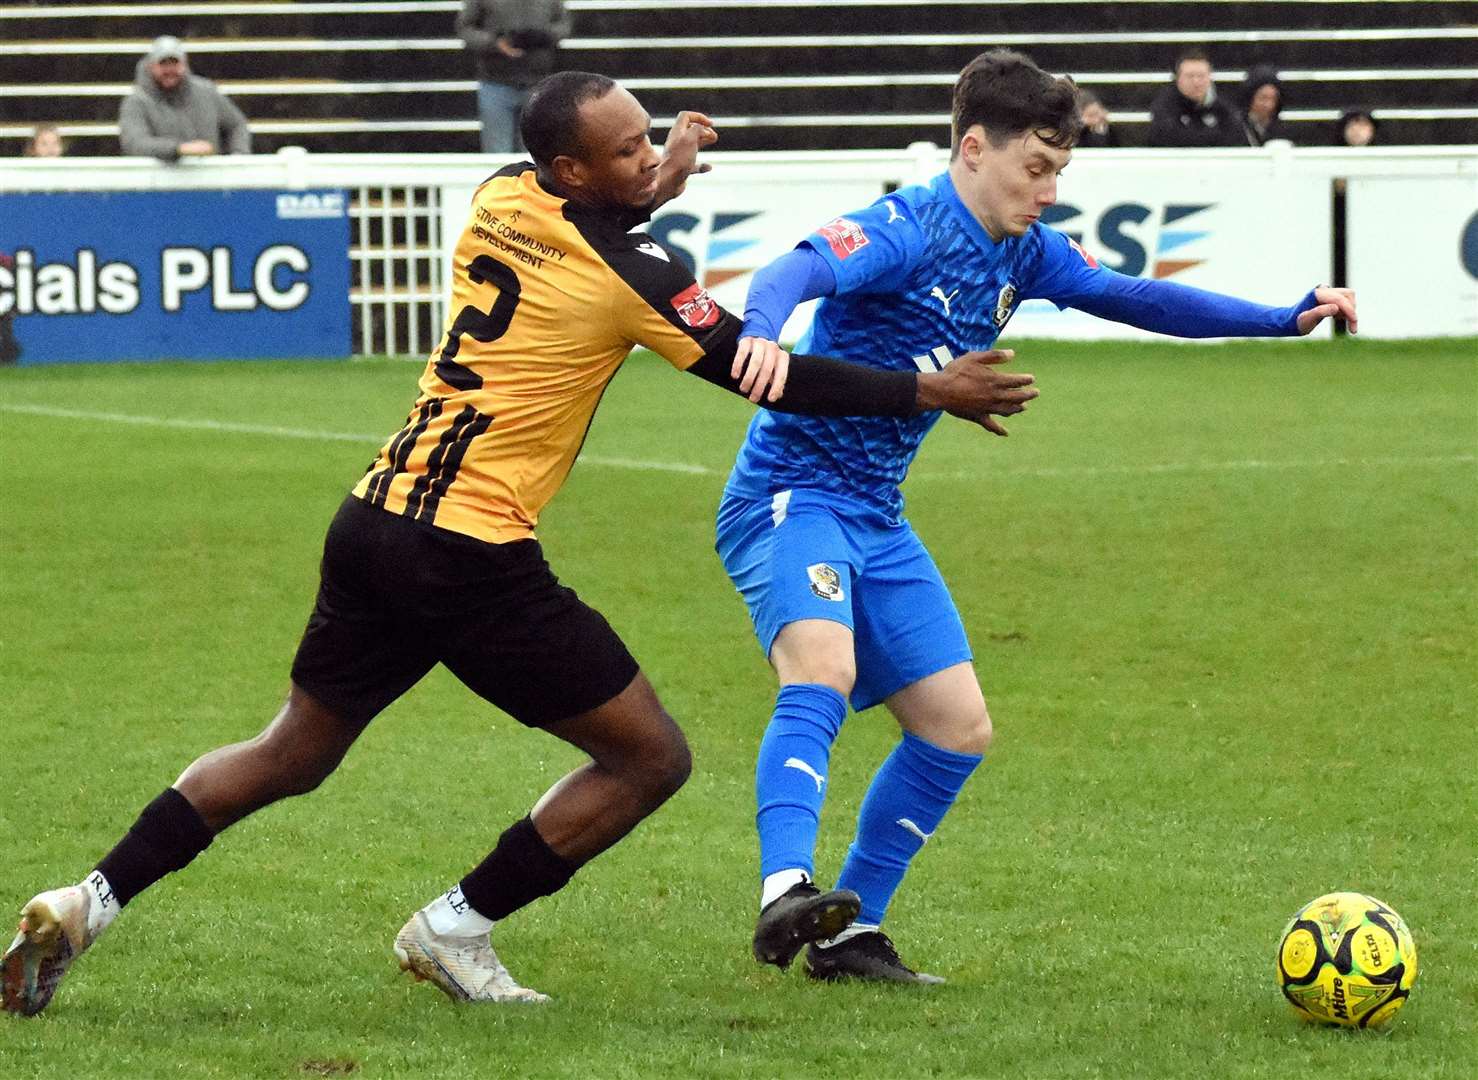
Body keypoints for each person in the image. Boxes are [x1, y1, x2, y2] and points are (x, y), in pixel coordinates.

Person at [2, 71, 1037, 1017]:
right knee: (646, 758)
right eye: (628, 148)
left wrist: (650, 187)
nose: (649, 156)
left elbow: (598, 214)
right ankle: (455, 926)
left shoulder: (501, 194)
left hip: (372, 521)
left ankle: (87, 899)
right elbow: (761, 371)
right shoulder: (634, 272)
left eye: (649, 136)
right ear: (568, 169)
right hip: (470, 554)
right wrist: (923, 388)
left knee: (292, 749)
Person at [718, 48, 1357, 984]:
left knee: (955, 727)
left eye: (1061, 170)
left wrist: (1279, 316)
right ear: (973, 147)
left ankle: (853, 935)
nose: (1050, 190)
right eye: (1037, 167)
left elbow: (1135, 295)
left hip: (875, 515)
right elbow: (794, 269)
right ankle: (784, 889)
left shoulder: (1023, 250)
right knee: (823, 667)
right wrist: (763, 330)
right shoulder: (906, 227)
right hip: (790, 494)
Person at [457, 0, 570, 154]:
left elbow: (564, 24)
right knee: (497, 156)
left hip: (538, 84)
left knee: (534, 156)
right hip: (495, 82)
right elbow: (465, 28)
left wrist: (544, 37)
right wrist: (495, 43)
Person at [118, 35, 251, 161]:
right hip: (157, 182)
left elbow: (237, 124)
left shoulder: (207, 92)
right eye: (163, 63)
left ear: (185, 64)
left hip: (211, 180)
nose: (169, 70)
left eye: (175, 63)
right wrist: (179, 149)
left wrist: (238, 156)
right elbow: (135, 144)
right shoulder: (136, 102)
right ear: (150, 66)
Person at [1147, 49, 1242, 147]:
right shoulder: (1164, 107)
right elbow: (1169, 137)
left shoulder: (1225, 107)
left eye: (1201, 76)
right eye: (1189, 76)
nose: (1196, 82)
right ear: (1178, 79)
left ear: (1210, 78)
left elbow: (1234, 136)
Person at [1239, 66, 1290, 146]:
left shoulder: (1282, 131)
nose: (1268, 105)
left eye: (1273, 98)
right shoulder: (1237, 128)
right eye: (1263, 98)